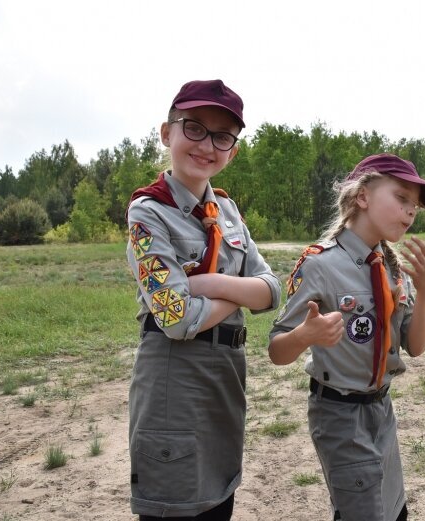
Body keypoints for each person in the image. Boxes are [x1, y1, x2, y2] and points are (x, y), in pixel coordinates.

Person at [125, 79, 281, 519]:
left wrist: (209, 284)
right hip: (176, 378)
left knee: (218, 501)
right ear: (166, 132)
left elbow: (271, 290)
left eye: (222, 136)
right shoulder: (148, 212)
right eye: (193, 127)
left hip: (225, 378)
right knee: (174, 505)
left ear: (232, 150)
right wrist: (240, 289)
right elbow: (176, 319)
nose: (207, 145)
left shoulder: (227, 212)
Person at [268, 153, 425, 521]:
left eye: (414, 206)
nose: (411, 212)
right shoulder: (320, 265)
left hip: (381, 411)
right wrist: (304, 334)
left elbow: (415, 347)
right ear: (362, 196)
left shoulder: (394, 270)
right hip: (340, 413)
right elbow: (277, 351)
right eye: (401, 198)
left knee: (394, 512)